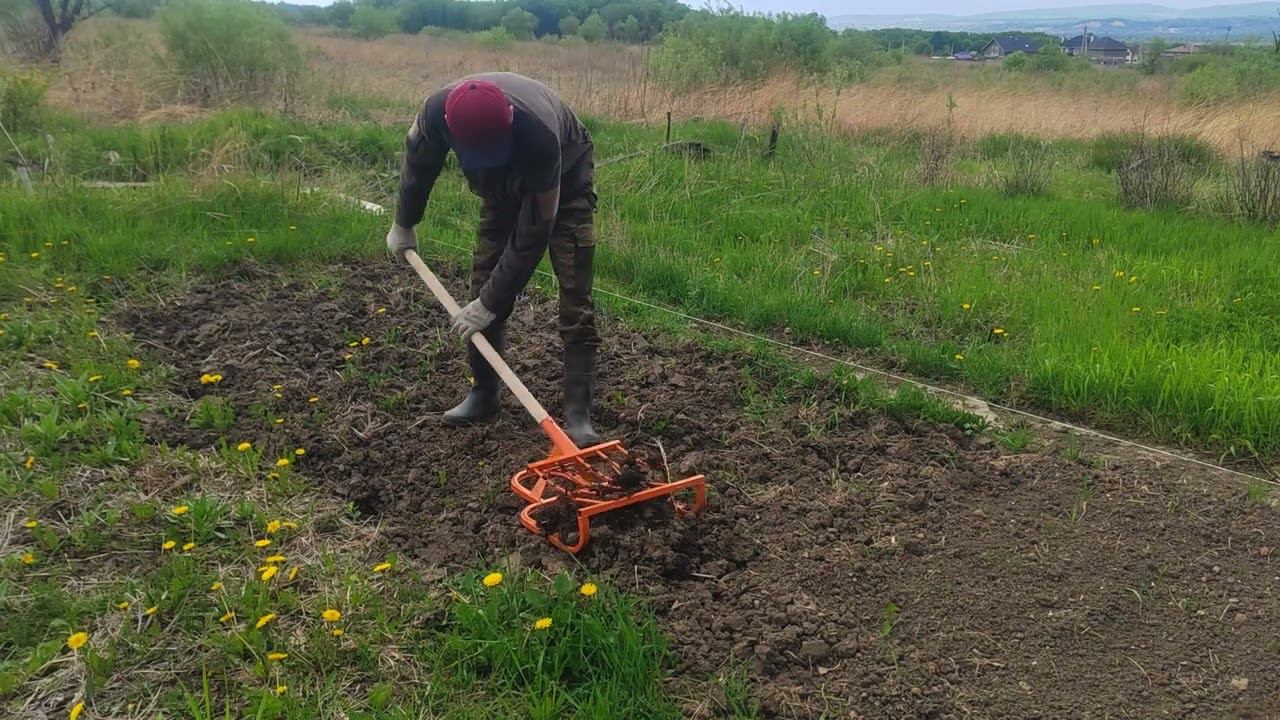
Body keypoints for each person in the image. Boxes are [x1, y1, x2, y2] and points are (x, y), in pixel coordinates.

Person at [386, 72, 601, 446]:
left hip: (566, 176)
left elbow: (534, 231)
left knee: (574, 290)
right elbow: (419, 165)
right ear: (450, 126)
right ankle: (484, 393)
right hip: (500, 188)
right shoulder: (434, 116)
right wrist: (404, 222)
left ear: (510, 119)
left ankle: (578, 414)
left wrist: (492, 302)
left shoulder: (539, 137)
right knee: (483, 280)